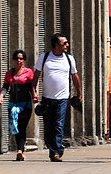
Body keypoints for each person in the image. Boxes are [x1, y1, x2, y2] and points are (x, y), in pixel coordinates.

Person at [35, 33, 81, 162]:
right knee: (49, 126)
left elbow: (75, 76)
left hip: (63, 98)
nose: (67, 45)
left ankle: (56, 152)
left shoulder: (69, 59)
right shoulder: (44, 58)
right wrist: (34, 92)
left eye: (67, 43)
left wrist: (79, 93)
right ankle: (53, 148)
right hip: (47, 98)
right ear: (56, 45)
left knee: (58, 124)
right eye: (64, 43)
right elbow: (36, 76)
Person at [0, 49, 39, 161]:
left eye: (21, 59)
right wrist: (1, 96)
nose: (19, 61)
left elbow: (32, 86)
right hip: (13, 106)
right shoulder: (9, 73)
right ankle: (20, 150)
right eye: (17, 58)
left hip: (25, 105)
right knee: (16, 127)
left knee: (22, 127)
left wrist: (35, 95)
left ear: (24, 60)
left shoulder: (28, 72)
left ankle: (20, 151)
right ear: (13, 60)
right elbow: (6, 87)